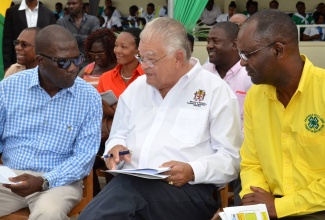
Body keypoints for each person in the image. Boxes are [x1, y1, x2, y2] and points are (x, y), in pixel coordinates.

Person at [78, 17, 241, 220]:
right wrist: (116, 147)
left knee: (112, 204)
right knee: (123, 199)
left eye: (151, 59)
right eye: (141, 58)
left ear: (178, 57)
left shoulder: (215, 91)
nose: (144, 66)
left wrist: (192, 170)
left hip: (187, 192)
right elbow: (118, 134)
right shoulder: (137, 89)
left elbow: (231, 159)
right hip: (130, 186)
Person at [0, 24, 102, 219]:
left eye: (77, 59)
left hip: (59, 182)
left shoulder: (89, 97)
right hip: (9, 178)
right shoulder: (8, 88)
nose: (73, 68)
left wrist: (45, 180)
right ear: (41, 61)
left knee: (49, 214)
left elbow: (85, 156)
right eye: (64, 63)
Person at [237, 9, 325, 219]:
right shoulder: (255, 97)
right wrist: (256, 204)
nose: (241, 63)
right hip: (267, 207)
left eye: (247, 54)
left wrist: (281, 207)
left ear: (277, 50)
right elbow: (251, 163)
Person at [2, 0, 55, 71]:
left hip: (41, 64)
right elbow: (7, 40)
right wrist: (7, 65)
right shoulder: (12, 12)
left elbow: (51, 40)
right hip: (18, 63)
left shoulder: (48, 14)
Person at [57, 0, 100, 66]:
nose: (71, 6)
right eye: (69, 4)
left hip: (88, 62)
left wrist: (70, 36)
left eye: (74, 3)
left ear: (81, 4)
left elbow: (94, 40)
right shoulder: (61, 22)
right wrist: (86, 37)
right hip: (68, 62)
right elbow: (61, 41)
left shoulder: (93, 20)